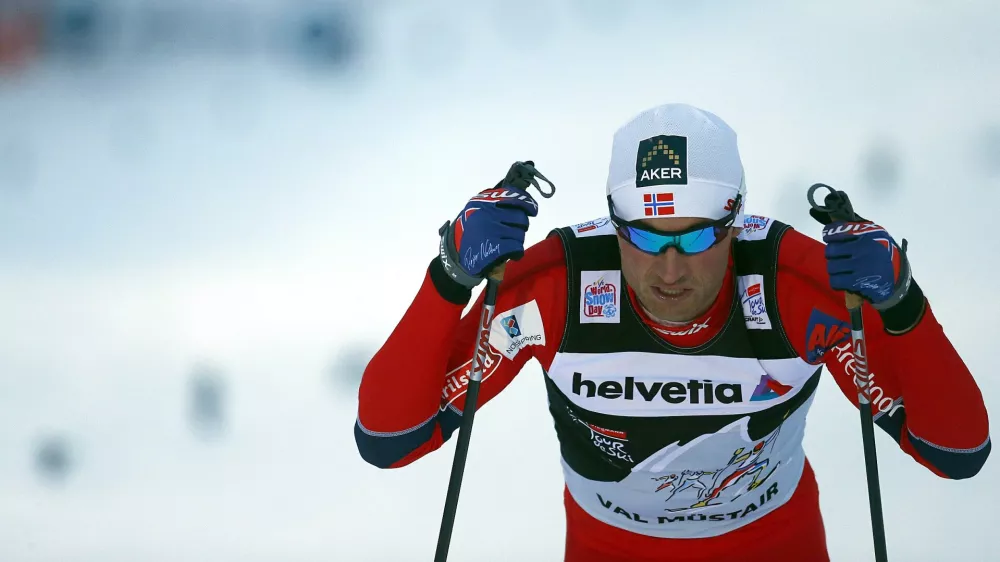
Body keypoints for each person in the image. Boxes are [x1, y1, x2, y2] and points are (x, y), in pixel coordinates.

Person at [354, 103, 991, 561]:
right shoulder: (561, 287)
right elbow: (389, 438)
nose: (669, 269)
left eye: (696, 236)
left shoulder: (795, 290)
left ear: (736, 222)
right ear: (613, 223)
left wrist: (903, 305)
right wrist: (448, 278)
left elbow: (955, 449)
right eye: (642, 236)